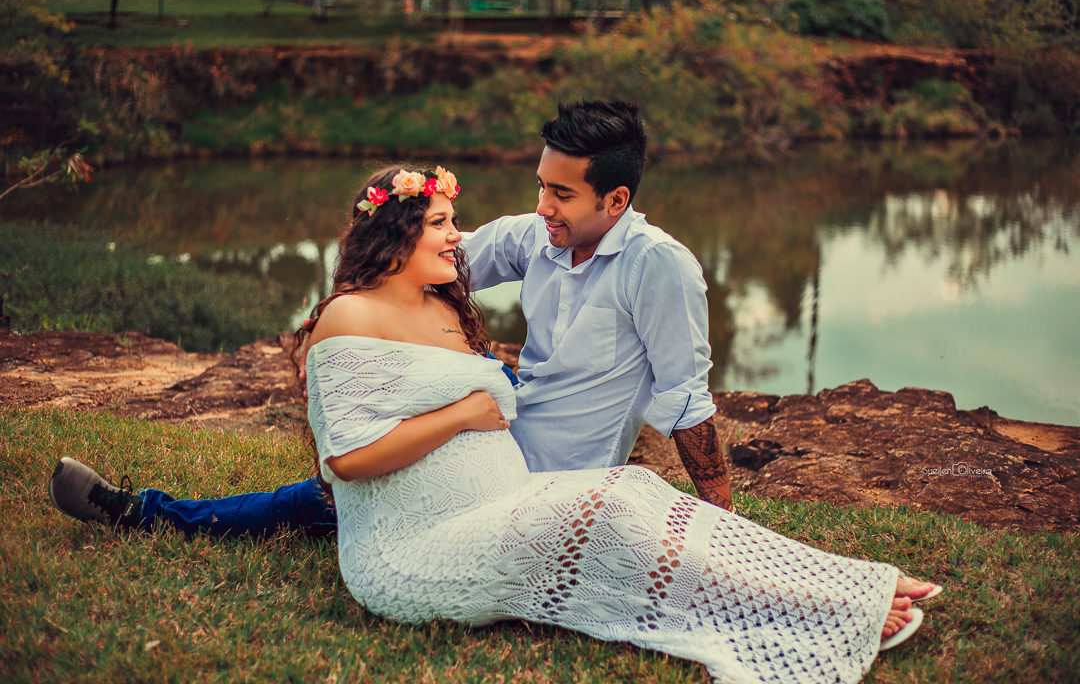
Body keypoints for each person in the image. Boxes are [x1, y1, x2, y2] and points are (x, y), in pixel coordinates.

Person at [302, 164, 936, 684]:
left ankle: (843, 581)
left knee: (635, 490)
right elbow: (346, 462)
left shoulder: (445, 304)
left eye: (454, 222)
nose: (458, 238)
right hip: (415, 550)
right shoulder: (352, 317)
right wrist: (462, 415)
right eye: (440, 224)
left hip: (499, 500)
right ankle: (824, 607)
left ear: (615, 198)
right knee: (606, 512)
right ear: (394, 233)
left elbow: (683, 392)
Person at [49, 100, 732, 537]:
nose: (543, 207)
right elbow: (437, 261)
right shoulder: (540, 238)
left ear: (615, 199)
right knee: (409, 403)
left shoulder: (658, 268)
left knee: (330, 496)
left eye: (562, 194)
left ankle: (146, 514)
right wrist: (361, 307)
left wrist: (722, 526)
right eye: (539, 187)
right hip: (508, 407)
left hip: (547, 469)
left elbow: (686, 402)